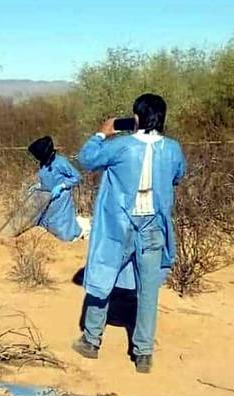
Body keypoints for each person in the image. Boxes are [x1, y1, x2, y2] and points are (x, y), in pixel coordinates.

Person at [71, 93, 186, 373]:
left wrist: (102, 133)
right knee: (148, 291)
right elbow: (178, 176)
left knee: (102, 275)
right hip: (153, 226)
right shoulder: (172, 148)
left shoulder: (121, 145)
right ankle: (143, 353)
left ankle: (91, 340)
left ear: (136, 117)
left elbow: (86, 159)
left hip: (120, 226)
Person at [27, 136, 83, 242]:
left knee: (60, 227)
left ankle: (69, 239)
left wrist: (62, 186)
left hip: (61, 198)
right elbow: (47, 178)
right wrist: (39, 186)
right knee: (44, 224)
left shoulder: (61, 162)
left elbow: (77, 177)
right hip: (46, 198)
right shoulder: (43, 164)